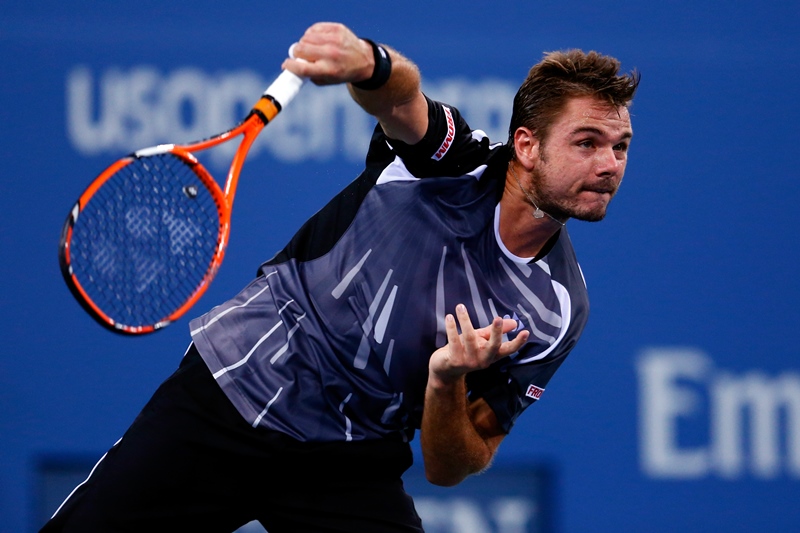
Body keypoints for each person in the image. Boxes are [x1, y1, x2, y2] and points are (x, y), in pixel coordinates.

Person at [42, 21, 638, 533]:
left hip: (349, 459)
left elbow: (451, 464)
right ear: (527, 147)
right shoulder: (454, 162)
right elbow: (402, 101)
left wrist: (446, 380)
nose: (610, 164)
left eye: (620, 146)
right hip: (235, 394)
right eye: (587, 142)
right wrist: (368, 61)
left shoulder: (558, 310)